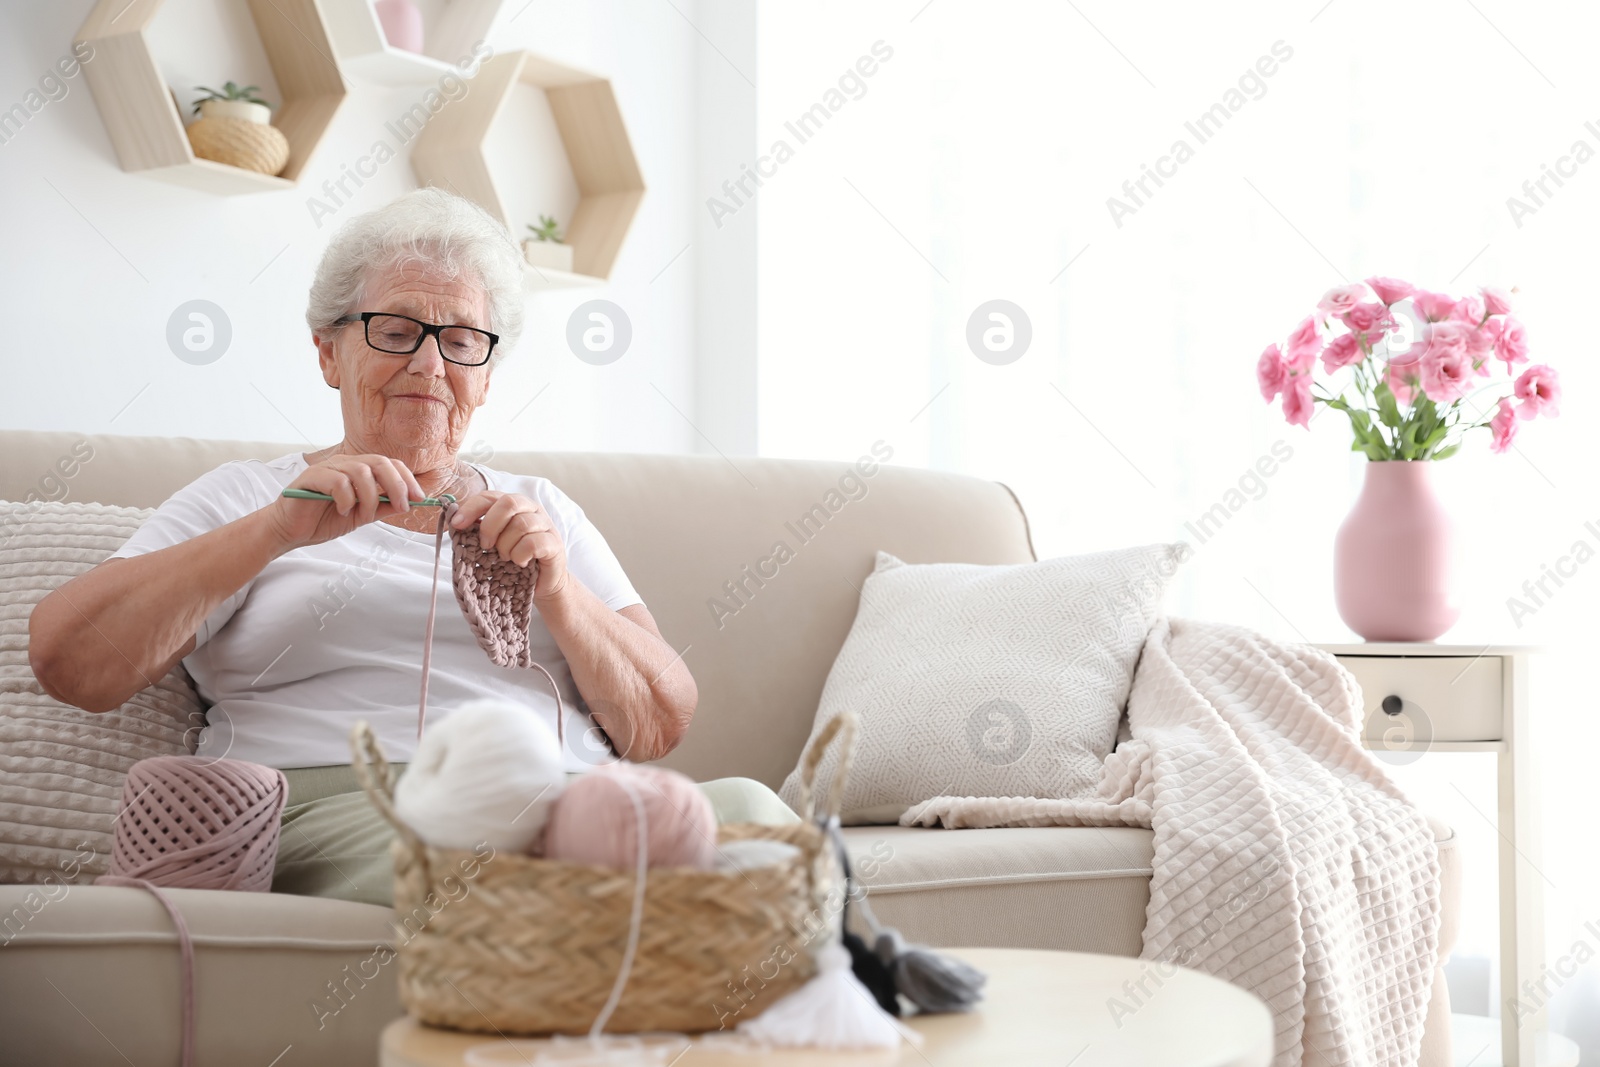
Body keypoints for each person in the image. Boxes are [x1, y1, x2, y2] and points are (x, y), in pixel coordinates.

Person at [28, 188, 794, 906]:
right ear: (329, 353)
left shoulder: (544, 509)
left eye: (461, 341)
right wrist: (274, 532)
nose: (429, 365)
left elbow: (659, 721)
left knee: (757, 820)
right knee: (499, 866)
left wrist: (558, 588)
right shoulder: (247, 495)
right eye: (395, 332)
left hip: (566, 799)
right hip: (344, 804)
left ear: (486, 376)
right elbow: (70, 660)